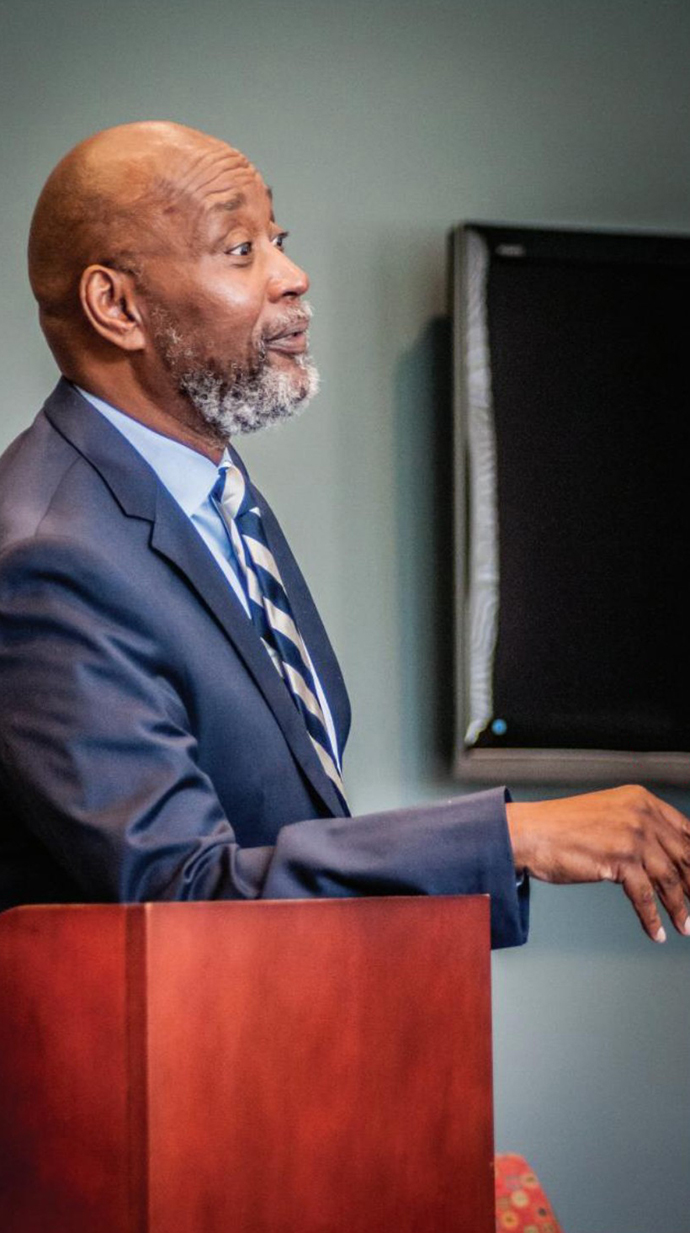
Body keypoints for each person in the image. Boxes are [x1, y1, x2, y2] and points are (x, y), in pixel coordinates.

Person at [0, 121, 688, 951]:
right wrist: (509, 836)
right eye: (240, 249)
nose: (292, 276)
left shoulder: (214, 494)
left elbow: (284, 828)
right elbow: (180, 893)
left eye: (278, 240)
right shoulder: (50, 555)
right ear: (118, 307)